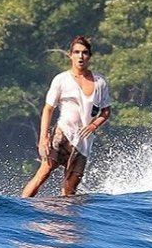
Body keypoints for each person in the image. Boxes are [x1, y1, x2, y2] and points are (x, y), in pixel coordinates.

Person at [21, 36, 111, 198]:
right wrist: (43, 138)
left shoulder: (100, 82)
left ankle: (63, 219)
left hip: (83, 143)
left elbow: (106, 111)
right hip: (62, 134)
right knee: (44, 172)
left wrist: (93, 126)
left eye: (84, 53)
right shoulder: (61, 79)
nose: (80, 56)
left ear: (89, 56)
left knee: (70, 190)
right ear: (70, 55)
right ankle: (21, 206)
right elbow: (48, 109)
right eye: (76, 52)